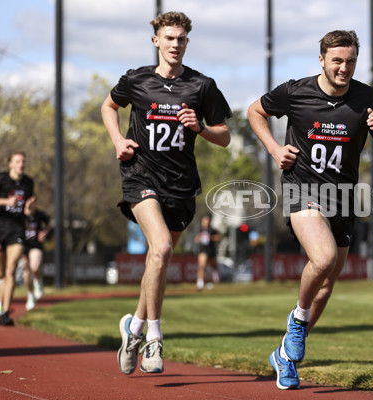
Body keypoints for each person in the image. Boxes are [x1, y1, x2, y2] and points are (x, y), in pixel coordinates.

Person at [247, 30, 373, 390]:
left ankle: (285, 355)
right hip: (302, 189)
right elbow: (255, 112)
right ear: (321, 60)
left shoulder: (370, 98)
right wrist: (273, 149)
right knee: (324, 257)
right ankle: (297, 323)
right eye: (337, 60)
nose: (343, 68)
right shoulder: (295, 91)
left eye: (350, 61)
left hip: (344, 198)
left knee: (327, 283)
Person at [101, 11, 232, 375]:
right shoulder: (137, 79)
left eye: (182, 39)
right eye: (169, 38)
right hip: (140, 177)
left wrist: (201, 129)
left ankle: (134, 326)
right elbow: (108, 106)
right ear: (156, 40)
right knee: (160, 248)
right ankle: (155, 339)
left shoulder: (202, 86)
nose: (176, 45)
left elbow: (225, 136)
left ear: (187, 42)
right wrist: (118, 140)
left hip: (181, 185)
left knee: (157, 261)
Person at [0, 151, 35, 326]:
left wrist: (29, 208)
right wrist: (6, 202)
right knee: (0, 274)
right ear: (10, 164)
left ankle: (5, 313)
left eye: (23, 161)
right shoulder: (1, 179)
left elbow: (28, 211)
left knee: (11, 270)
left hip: (17, 229)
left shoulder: (28, 183)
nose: (21, 164)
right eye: (18, 161)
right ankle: (0, 306)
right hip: (0, 228)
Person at [21, 196, 51, 311]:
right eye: (29, 201)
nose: (31, 204)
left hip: (35, 245)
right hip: (23, 246)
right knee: (26, 272)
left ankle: (38, 281)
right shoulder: (20, 215)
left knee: (34, 267)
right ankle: (30, 294)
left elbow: (48, 223)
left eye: (34, 202)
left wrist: (44, 233)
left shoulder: (39, 214)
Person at [193, 214, 221, 291]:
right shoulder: (199, 230)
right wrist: (198, 238)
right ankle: (200, 284)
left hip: (211, 250)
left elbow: (218, 237)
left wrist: (211, 237)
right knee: (202, 266)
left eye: (207, 220)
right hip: (203, 250)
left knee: (213, 265)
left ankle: (215, 275)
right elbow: (196, 240)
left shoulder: (212, 230)